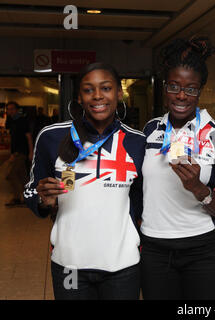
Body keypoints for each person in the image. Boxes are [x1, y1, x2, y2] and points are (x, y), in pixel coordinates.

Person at [23, 62, 145, 300]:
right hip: (70, 264)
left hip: (123, 265)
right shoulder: (51, 137)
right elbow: (31, 191)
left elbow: (141, 199)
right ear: (79, 97)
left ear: (119, 93)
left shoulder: (137, 142)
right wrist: (43, 201)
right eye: (89, 90)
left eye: (106, 88)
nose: (98, 95)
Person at [140, 36, 215, 300]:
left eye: (191, 89)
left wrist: (198, 188)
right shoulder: (150, 130)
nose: (181, 95)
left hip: (202, 252)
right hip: (155, 251)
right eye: (174, 86)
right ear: (164, 87)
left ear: (201, 90)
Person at [5, 101, 33, 207]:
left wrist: (31, 152)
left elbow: (29, 137)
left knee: (10, 175)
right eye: (8, 109)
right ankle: (29, 197)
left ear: (17, 110)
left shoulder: (22, 121)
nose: (10, 111)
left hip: (21, 152)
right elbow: (13, 139)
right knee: (22, 176)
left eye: (12, 109)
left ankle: (17, 197)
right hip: (16, 152)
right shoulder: (12, 121)